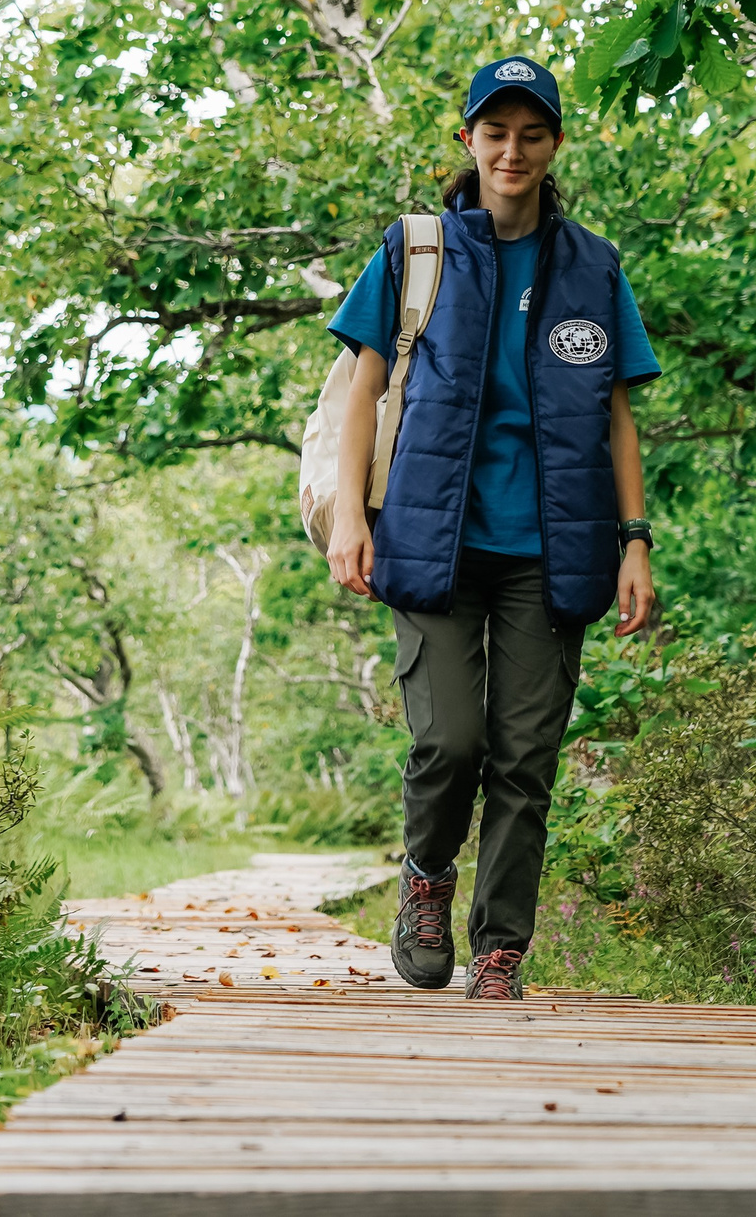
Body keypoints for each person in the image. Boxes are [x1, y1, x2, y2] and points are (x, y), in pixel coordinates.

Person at [324, 54, 661, 1001]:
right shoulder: (415, 247)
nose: (512, 150)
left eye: (532, 133)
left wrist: (635, 539)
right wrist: (353, 514)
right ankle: (427, 882)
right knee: (451, 742)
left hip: (555, 548)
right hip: (430, 538)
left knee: (526, 757)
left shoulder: (593, 266)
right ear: (467, 140)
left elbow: (616, 414)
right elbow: (364, 389)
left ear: (554, 146)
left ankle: (501, 947)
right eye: (495, 132)